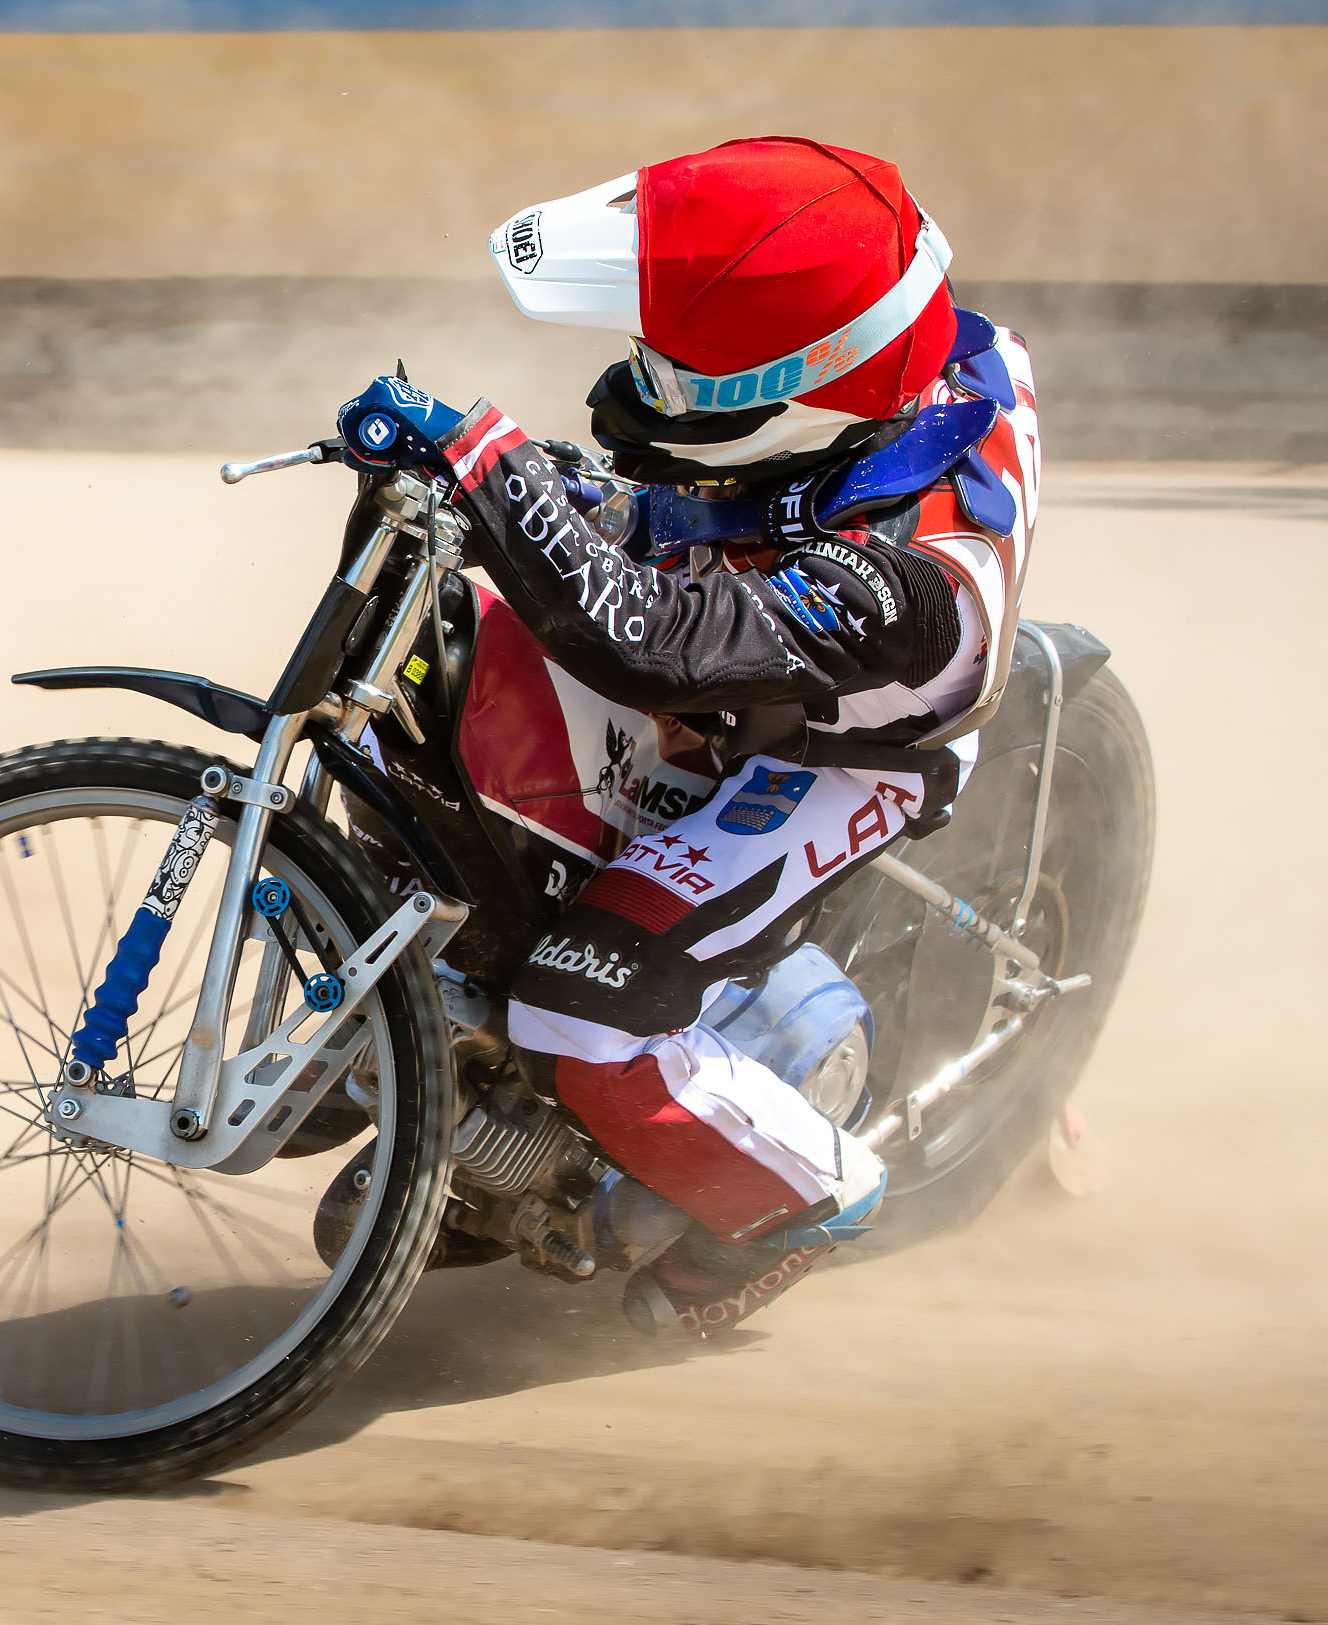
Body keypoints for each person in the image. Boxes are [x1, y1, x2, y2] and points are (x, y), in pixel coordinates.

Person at [332, 136, 1040, 1335]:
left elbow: (657, 641)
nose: (637, 392)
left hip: (838, 755)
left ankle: (802, 1194)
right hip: (761, 640)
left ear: (810, 395)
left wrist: (496, 470)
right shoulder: (915, 335)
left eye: (691, 381)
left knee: (582, 1006)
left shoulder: (915, 583)